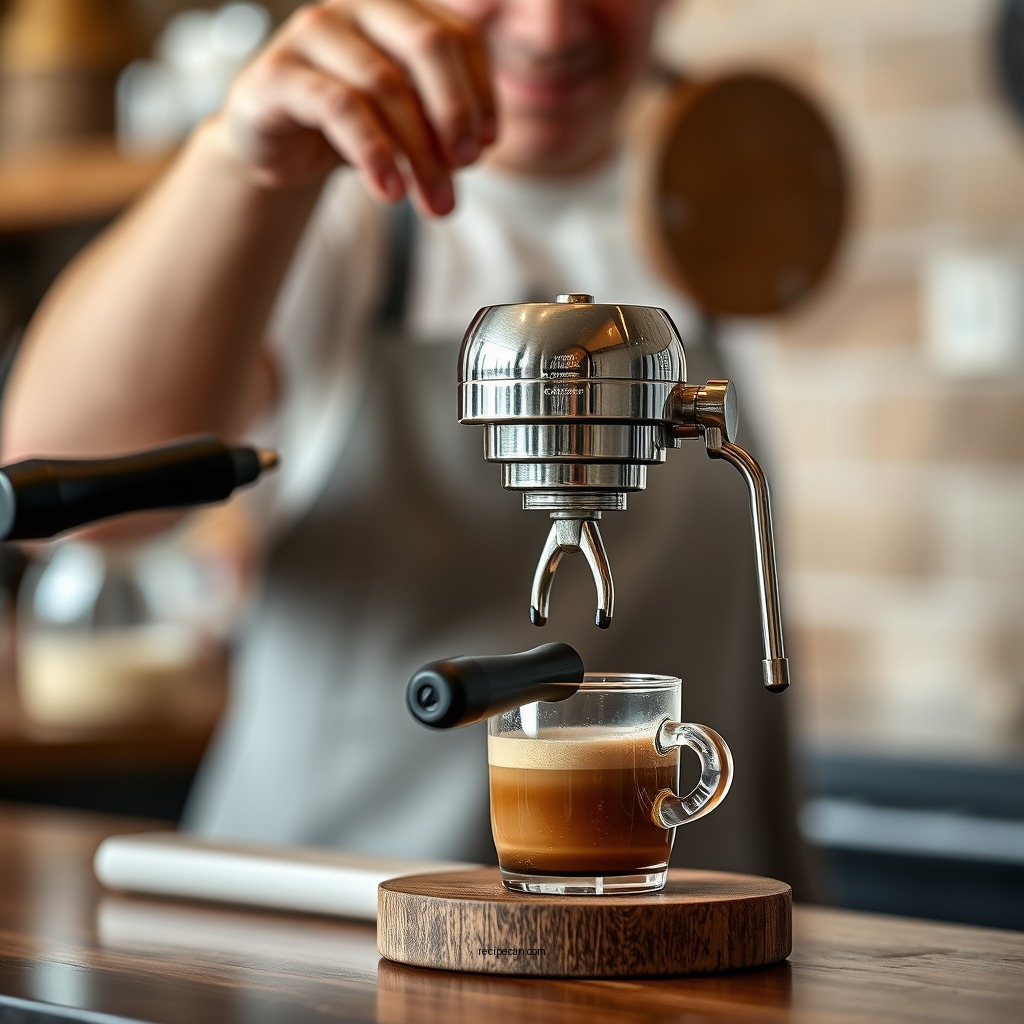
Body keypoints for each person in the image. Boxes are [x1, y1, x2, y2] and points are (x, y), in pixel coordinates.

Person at [2, 0, 815, 895]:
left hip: (680, 940)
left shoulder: (740, 189)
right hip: (342, 949)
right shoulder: (331, 201)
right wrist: (239, 163)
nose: (549, 26)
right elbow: (72, 495)